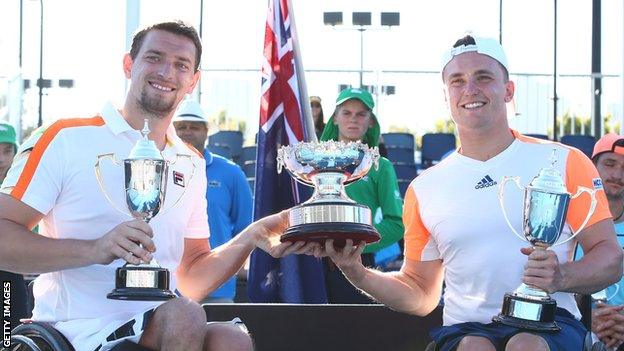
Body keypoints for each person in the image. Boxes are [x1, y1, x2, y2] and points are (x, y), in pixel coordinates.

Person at [0, 20, 316, 351]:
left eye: (181, 65)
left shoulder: (191, 161)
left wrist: (250, 237)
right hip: (71, 330)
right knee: (186, 314)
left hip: (160, 324)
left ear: (193, 81)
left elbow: (190, 279)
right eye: (154, 57)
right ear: (128, 65)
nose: (167, 71)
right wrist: (95, 248)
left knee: (230, 339)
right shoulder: (64, 138)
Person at [313, 35, 623, 350]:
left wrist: (562, 277)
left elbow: (610, 257)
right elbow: (420, 293)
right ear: (446, 97)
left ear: (509, 90)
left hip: (551, 324)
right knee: (474, 347)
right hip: (467, 331)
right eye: (457, 81)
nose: (470, 89)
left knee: (525, 345)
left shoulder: (566, 161)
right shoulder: (425, 188)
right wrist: (357, 272)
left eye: (483, 77)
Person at [318, 87, 404, 303]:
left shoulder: (380, 166)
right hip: (310, 260)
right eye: (346, 113)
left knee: (353, 331)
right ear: (335, 119)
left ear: (371, 122)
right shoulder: (309, 162)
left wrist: (352, 242)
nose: (353, 119)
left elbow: (396, 224)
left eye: (361, 114)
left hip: (358, 263)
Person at [173, 100, 253, 303]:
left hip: (218, 287)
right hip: (168, 288)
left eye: (195, 127)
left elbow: (245, 229)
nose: (188, 132)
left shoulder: (231, 172)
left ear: (207, 131)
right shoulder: (155, 167)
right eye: (181, 127)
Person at [575, 133, 624, 350]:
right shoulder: (570, 227)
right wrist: (587, 317)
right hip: (577, 330)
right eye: (610, 164)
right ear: (593, 167)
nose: (618, 175)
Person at [0, 122, 28, 330]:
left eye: (7, 150)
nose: (1, 158)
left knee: (10, 332)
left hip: (15, 273)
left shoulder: (27, 182)